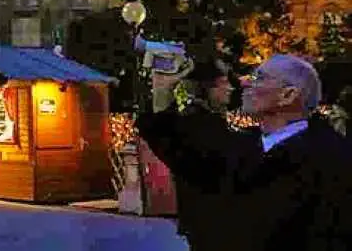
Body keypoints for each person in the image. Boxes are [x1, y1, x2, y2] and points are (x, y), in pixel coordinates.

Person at [147, 53, 352, 250]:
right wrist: (162, 90)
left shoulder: (332, 160)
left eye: (259, 78)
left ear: (288, 95)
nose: (244, 83)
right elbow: (179, 152)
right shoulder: (238, 146)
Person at [136, 58, 244, 251]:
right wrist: (164, 93)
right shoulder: (199, 125)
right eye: (223, 82)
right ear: (205, 88)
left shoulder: (205, 123)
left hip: (210, 221)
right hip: (212, 221)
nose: (230, 88)